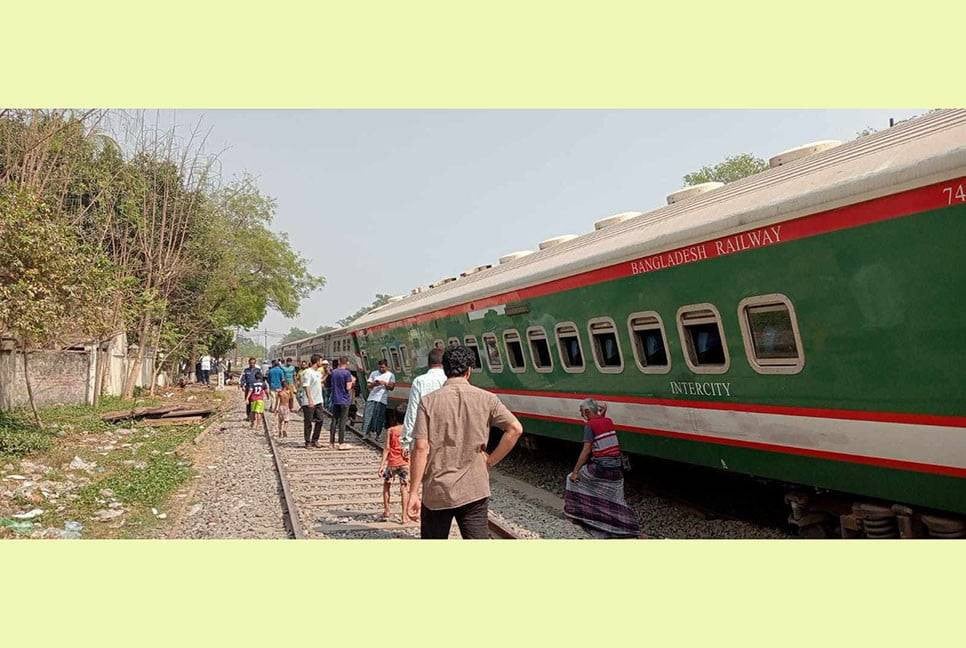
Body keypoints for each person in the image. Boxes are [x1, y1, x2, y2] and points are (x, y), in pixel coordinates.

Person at [407, 345, 523, 539]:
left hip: (437, 490)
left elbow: (420, 448)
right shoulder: (488, 399)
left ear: (444, 370)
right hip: (474, 488)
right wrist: (490, 461)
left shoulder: (428, 402)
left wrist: (412, 492)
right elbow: (515, 429)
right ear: (469, 370)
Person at [563, 399, 641, 538]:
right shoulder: (608, 421)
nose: (581, 415)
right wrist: (602, 413)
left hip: (601, 469)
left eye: (582, 412)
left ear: (587, 411)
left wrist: (575, 472)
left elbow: (586, 450)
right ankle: (629, 528)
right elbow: (601, 425)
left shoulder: (589, 426)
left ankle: (576, 515)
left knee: (572, 480)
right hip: (617, 469)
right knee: (615, 498)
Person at [401, 347, 447, 454]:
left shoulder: (419, 381)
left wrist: (405, 442)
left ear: (428, 363)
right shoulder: (449, 379)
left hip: (425, 434)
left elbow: (412, 412)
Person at [378, 409, 410, 524]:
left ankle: (387, 511)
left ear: (395, 417)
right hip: (405, 463)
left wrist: (382, 465)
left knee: (387, 485)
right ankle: (404, 516)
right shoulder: (408, 430)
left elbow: (387, 448)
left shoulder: (391, 430)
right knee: (404, 488)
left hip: (392, 463)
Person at [362, 359, 395, 441]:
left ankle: (378, 435)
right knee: (368, 416)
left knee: (379, 417)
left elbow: (391, 387)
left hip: (382, 400)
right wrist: (375, 384)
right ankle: (366, 433)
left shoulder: (391, 375)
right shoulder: (374, 373)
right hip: (372, 398)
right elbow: (368, 385)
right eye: (380, 367)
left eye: (383, 368)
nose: (381, 369)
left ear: (387, 367)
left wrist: (384, 383)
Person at [329, 356, 355, 450]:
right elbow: (348, 387)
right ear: (347, 363)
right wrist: (353, 381)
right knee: (342, 422)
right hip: (344, 400)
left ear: (339, 362)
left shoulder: (334, 372)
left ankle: (331, 442)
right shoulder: (347, 373)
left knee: (334, 420)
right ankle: (341, 442)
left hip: (335, 399)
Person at [301, 355, 326, 449]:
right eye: (321, 361)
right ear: (317, 361)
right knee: (308, 422)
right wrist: (310, 399)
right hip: (309, 401)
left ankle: (315, 440)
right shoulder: (307, 372)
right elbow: (306, 386)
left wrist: (327, 374)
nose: (322, 362)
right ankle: (307, 442)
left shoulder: (318, 373)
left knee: (320, 420)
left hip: (318, 400)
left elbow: (319, 382)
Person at [240, 357, 259, 421]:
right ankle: (248, 416)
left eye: (253, 363)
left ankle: (253, 416)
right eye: (251, 363)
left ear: (255, 363)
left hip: (254, 389)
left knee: (254, 402)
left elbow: (260, 379)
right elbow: (243, 378)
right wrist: (242, 385)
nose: (252, 364)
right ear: (249, 363)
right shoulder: (246, 370)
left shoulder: (257, 370)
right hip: (248, 388)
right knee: (248, 402)